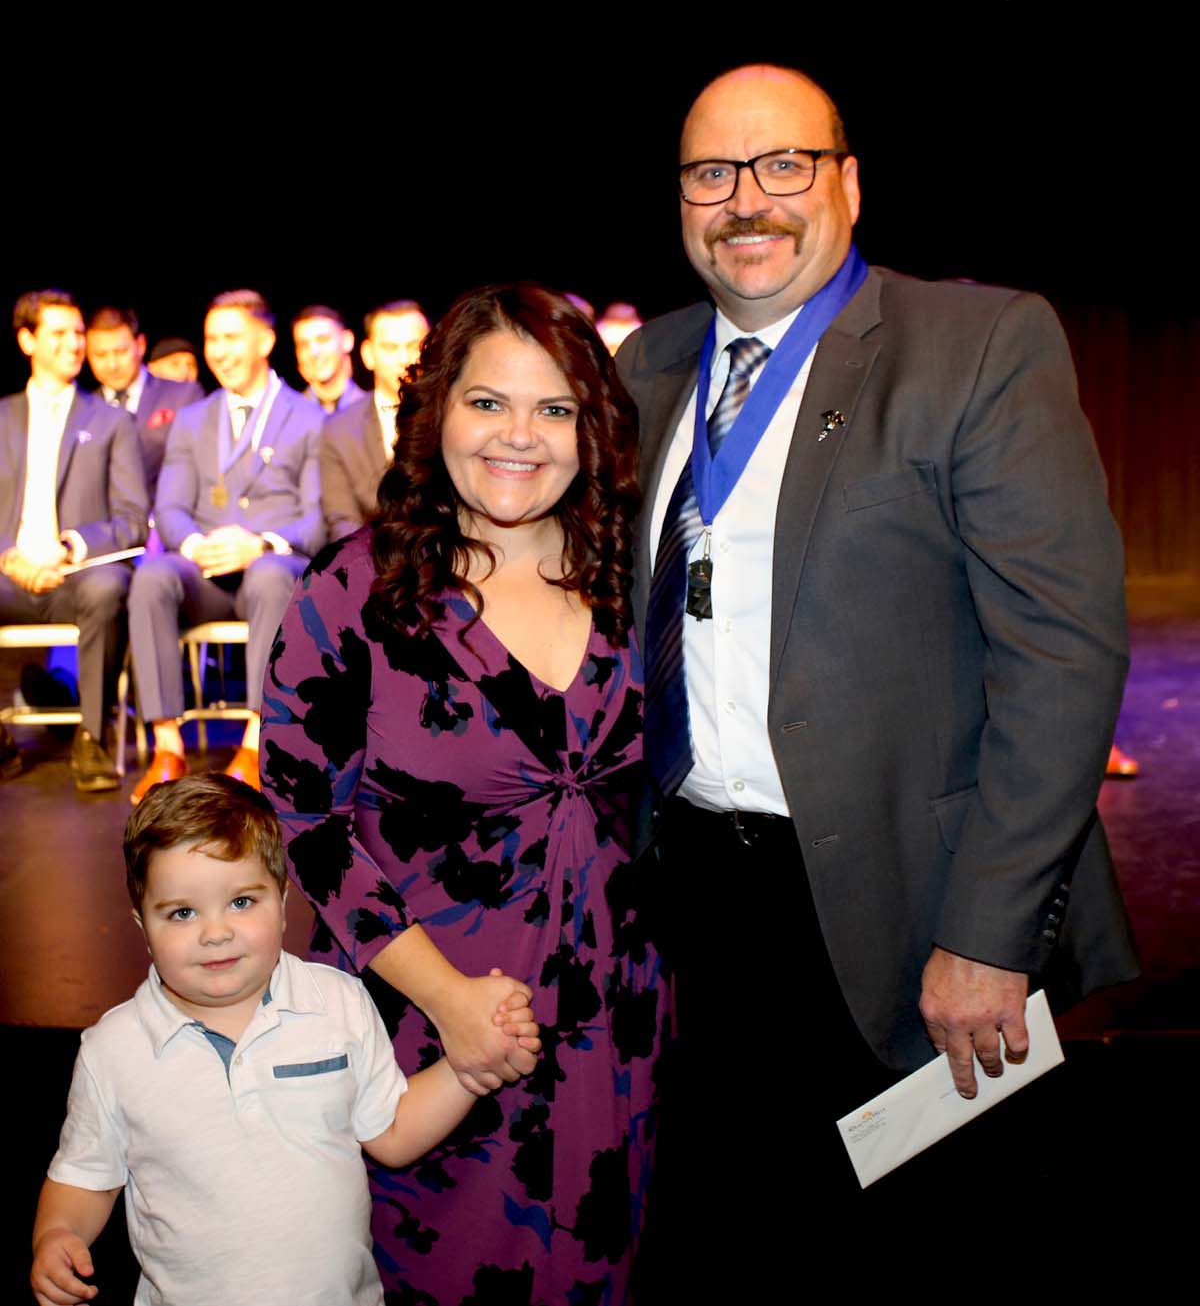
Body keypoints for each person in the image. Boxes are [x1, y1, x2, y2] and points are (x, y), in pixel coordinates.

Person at [615, 64, 1138, 1227]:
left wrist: (990, 932)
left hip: (914, 908)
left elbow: (1061, 653)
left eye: (783, 163)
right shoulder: (646, 367)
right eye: (712, 173)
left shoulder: (974, 343)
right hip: (698, 903)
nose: (746, 200)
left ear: (849, 184)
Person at [260, 283, 659, 1304]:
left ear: (592, 429)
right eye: (487, 402)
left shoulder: (635, 578)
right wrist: (449, 1000)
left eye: (554, 408)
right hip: (426, 1042)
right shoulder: (352, 591)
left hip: (616, 1030)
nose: (518, 436)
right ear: (437, 410)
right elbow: (309, 824)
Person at [30, 773, 538, 1306]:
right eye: (182, 912)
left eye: (241, 902)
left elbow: (391, 1133)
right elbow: (85, 1177)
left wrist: (468, 1065)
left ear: (282, 898)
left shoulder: (337, 1002)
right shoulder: (114, 1050)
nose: (215, 932)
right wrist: (56, 1235)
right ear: (142, 925)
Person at [127, 290, 326, 803]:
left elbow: (318, 516)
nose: (218, 351)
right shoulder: (194, 418)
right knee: (151, 575)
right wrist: (196, 545)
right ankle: (167, 748)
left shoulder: (308, 416)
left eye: (231, 337)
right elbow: (170, 507)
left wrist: (262, 544)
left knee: (271, 573)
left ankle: (256, 747)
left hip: (271, 568)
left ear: (265, 341)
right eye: (212, 339)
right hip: (208, 570)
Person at [0, 290, 148, 792]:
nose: (74, 343)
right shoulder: (3, 416)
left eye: (78, 333)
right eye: (59, 333)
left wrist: (66, 548)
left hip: (77, 573)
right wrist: (10, 557)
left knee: (108, 589)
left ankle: (92, 736)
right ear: (27, 341)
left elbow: (132, 519)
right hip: (11, 574)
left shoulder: (110, 421)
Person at [319, 299, 430, 541]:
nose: (404, 359)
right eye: (390, 348)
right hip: (371, 557)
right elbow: (341, 521)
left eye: (414, 346)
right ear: (368, 355)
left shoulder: (454, 417)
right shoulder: (340, 430)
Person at [86, 305, 205, 497]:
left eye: (121, 352)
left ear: (140, 345)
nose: (112, 364)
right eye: (100, 355)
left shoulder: (182, 396)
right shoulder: (84, 409)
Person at [292, 304, 367, 414]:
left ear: (347, 340)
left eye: (323, 339)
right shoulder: (290, 416)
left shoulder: (373, 412)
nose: (314, 351)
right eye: (304, 345)